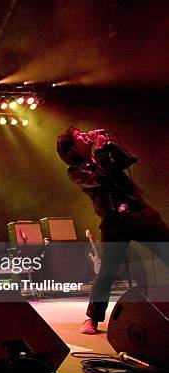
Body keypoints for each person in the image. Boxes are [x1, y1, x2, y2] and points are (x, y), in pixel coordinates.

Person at [56, 127, 169, 335]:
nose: (85, 135)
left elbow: (130, 159)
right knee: (108, 270)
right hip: (113, 219)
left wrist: (109, 146)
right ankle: (92, 319)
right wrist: (100, 152)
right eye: (79, 136)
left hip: (137, 210)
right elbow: (103, 179)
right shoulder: (75, 171)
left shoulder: (103, 153)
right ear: (71, 148)